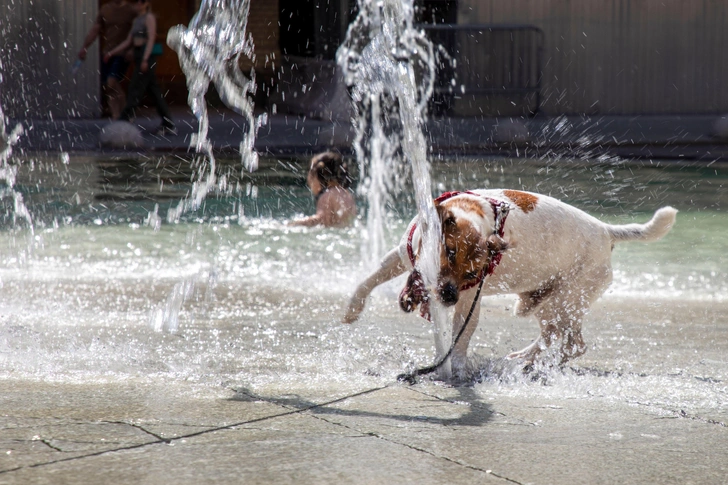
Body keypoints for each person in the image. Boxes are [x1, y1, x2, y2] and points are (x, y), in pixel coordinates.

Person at [105, 0, 176, 135]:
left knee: (135, 89)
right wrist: (112, 52)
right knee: (154, 93)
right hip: (139, 55)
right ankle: (168, 123)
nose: (135, 6)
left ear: (144, 4)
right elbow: (129, 41)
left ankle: (124, 119)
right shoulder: (137, 20)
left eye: (137, 3)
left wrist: (145, 58)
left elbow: (150, 39)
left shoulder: (149, 18)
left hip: (146, 57)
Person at [78, 0, 136, 120]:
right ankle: (116, 115)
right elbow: (95, 29)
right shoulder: (105, 9)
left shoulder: (131, 10)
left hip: (122, 52)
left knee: (112, 81)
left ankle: (126, 112)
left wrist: (133, 49)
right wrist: (85, 47)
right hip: (107, 52)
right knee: (107, 85)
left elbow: (138, 31)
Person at [290, 151, 357, 228]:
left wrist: (294, 224)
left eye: (309, 171)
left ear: (317, 175)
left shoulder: (327, 196)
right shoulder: (346, 193)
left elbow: (321, 219)